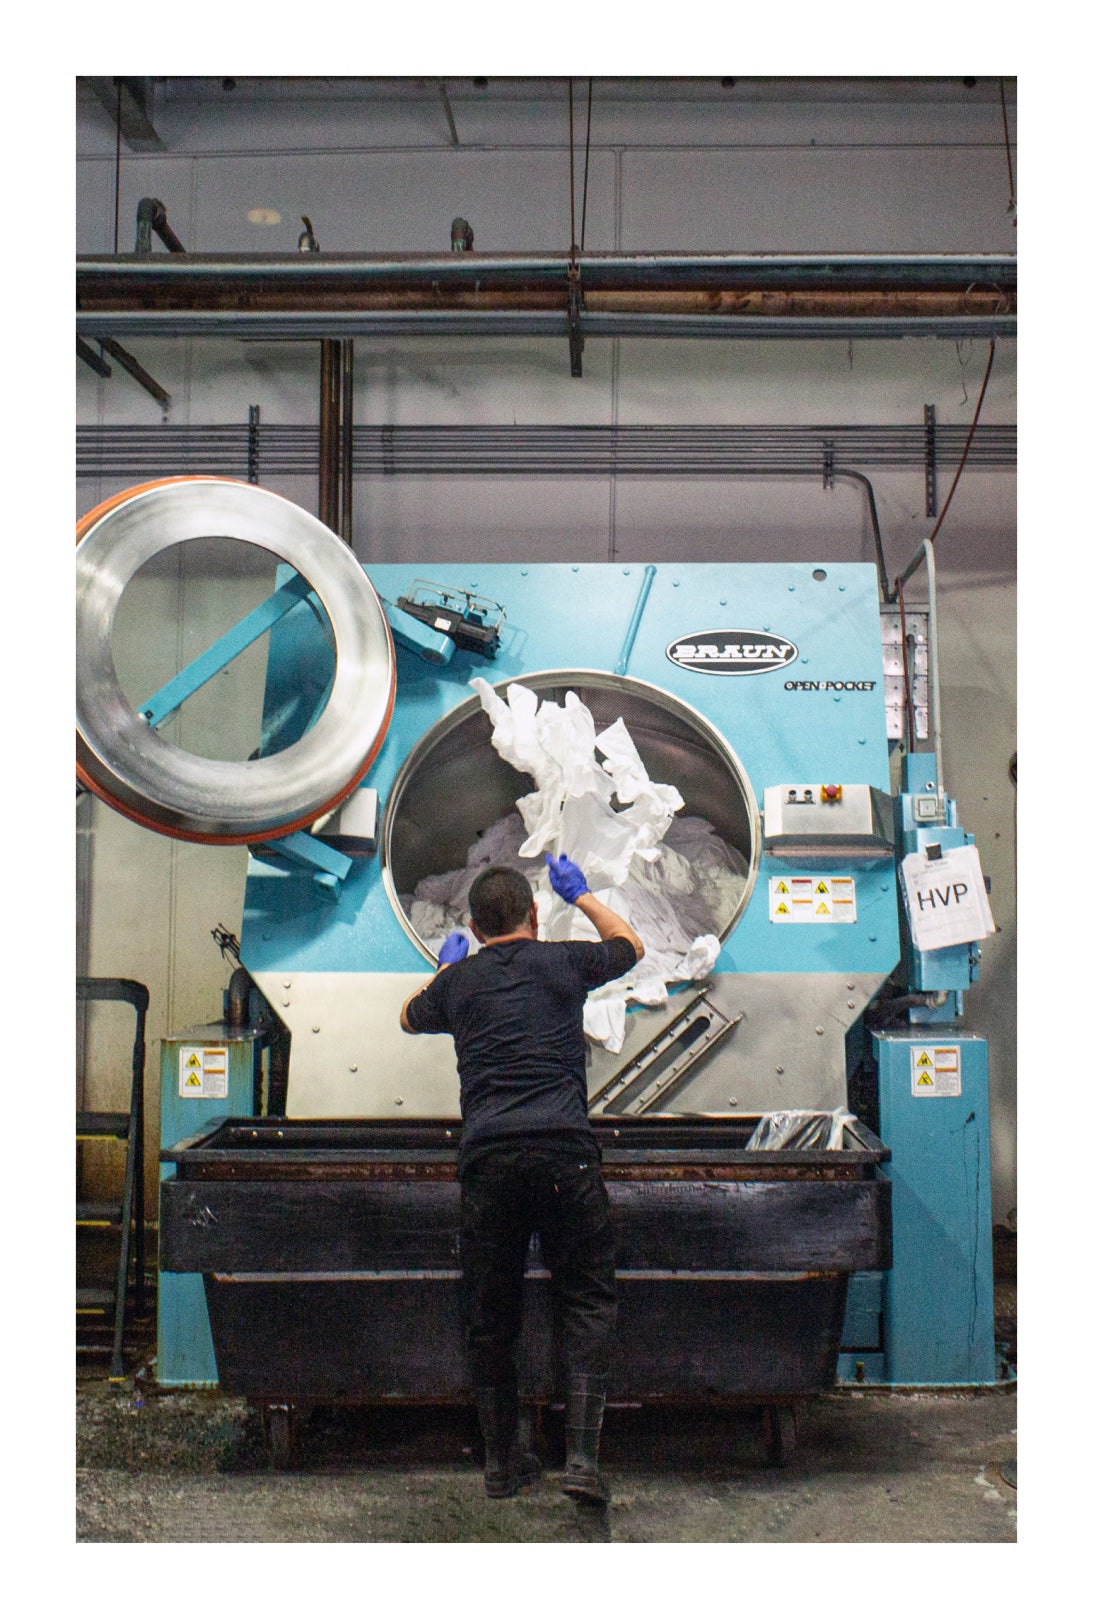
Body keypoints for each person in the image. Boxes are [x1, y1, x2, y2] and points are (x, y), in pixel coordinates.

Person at [399, 853, 643, 1503]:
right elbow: (630, 946)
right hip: (566, 1156)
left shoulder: (459, 983)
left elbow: (408, 1016)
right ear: (535, 915)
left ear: (475, 929)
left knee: (490, 1314)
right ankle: (582, 1461)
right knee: (586, 1300)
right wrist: (582, 895)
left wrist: (446, 968)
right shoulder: (563, 962)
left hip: (490, 1163)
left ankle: (502, 1464)